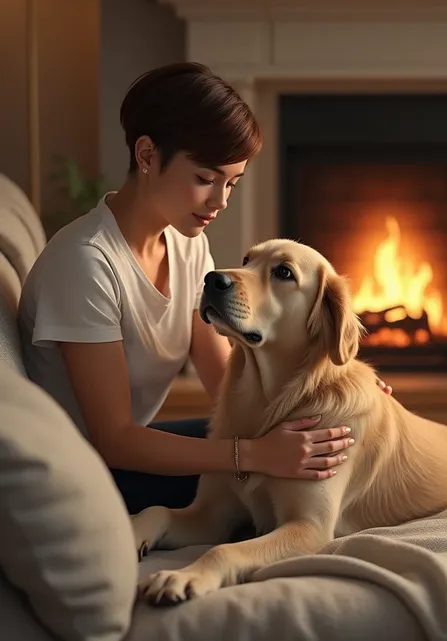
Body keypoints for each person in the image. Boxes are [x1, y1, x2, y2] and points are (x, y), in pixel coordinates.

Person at [18, 62, 392, 516]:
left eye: (231, 183)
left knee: (325, 444)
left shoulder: (185, 243)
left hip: (127, 454)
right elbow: (113, 439)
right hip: (81, 474)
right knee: (275, 473)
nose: (220, 202)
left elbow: (225, 386)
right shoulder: (86, 262)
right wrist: (255, 455)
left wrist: (344, 400)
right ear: (147, 155)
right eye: (205, 179)